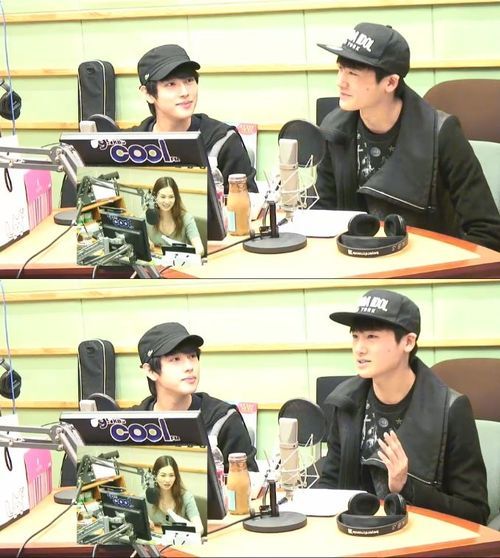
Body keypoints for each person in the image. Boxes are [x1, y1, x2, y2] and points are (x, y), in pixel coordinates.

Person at [314, 22, 500, 251]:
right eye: (340, 69)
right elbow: (324, 213)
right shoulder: (335, 129)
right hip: (355, 258)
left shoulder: (442, 134)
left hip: (430, 264)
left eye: (352, 73)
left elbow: (487, 231)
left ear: (390, 82)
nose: (340, 81)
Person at [318, 288, 489, 525]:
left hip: (422, 536)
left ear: (408, 342)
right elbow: (330, 483)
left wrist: (407, 487)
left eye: (372, 337)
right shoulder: (346, 403)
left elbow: (475, 513)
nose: (359, 348)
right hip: (355, 532)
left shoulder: (450, 410)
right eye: (355, 336)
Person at [131, 322, 258, 473]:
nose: (189, 367)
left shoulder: (223, 419)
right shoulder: (130, 424)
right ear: (150, 371)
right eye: (175, 359)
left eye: (192, 356)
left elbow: (249, 482)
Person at [132, 44, 258, 194]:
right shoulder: (130, 144)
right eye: (171, 84)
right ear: (147, 93)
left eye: (189, 81)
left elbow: (248, 202)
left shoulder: (223, 140)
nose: (185, 92)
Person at [145, 454, 203, 534]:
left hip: (181, 539)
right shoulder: (147, 496)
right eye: (163, 475)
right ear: (155, 476)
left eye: (171, 475)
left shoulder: (186, 497)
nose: (167, 480)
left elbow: (200, 529)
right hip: (156, 539)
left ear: (176, 477)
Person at [147, 176, 204, 256]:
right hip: (156, 261)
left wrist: (189, 257)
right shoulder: (147, 217)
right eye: (163, 197)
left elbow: (200, 249)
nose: (167, 201)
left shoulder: (186, 218)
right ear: (155, 197)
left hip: (181, 261)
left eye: (171, 197)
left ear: (176, 198)